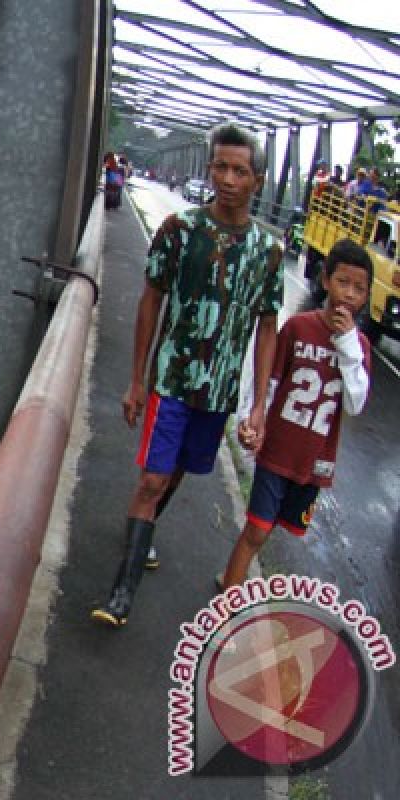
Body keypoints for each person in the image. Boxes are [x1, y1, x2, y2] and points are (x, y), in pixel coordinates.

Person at [91, 121, 284, 628]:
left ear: (257, 181)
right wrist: (137, 379)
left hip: (217, 393)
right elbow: (150, 299)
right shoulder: (180, 230)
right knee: (153, 477)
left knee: (175, 473)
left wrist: (258, 404)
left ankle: (143, 533)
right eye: (219, 165)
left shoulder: (268, 253)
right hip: (171, 382)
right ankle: (121, 594)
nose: (226, 177)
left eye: (239, 170)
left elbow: (267, 328)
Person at [219, 239, 372, 588]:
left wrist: (347, 345)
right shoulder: (299, 327)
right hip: (277, 451)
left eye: (359, 288)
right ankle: (226, 610)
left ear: (366, 297)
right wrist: (252, 419)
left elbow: (355, 404)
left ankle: (231, 576)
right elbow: (268, 380)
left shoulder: (359, 348)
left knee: (267, 527)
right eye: (342, 282)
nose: (349, 294)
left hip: (313, 461)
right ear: (325, 280)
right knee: (257, 529)